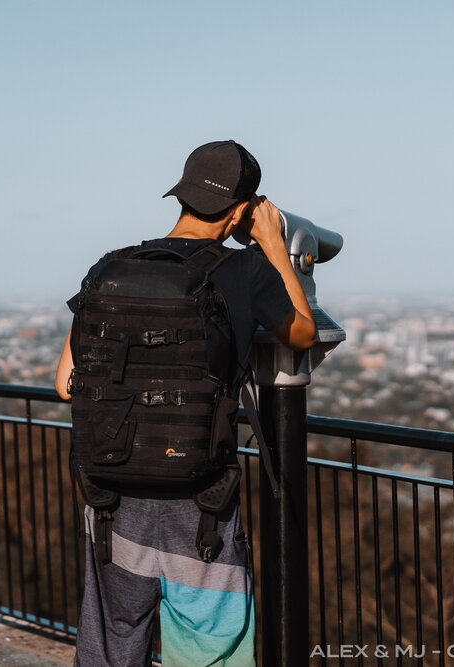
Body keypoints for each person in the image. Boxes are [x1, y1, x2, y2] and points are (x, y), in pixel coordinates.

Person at [55, 140, 315, 666]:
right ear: (241, 210)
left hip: (113, 497)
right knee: (207, 645)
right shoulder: (246, 272)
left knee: (113, 638)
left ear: (183, 195)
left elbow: (66, 382)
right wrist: (268, 244)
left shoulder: (111, 267)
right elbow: (303, 331)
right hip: (200, 503)